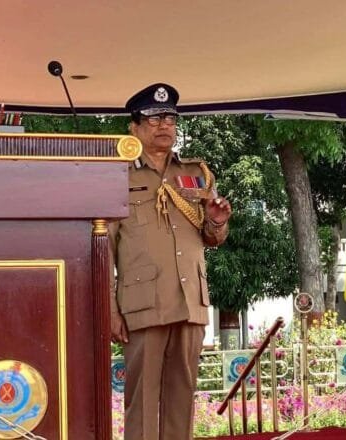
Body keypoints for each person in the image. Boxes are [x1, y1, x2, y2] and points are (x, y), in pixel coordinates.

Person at [109, 83, 232, 440]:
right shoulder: (117, 174)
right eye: (153, 118)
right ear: (134, 127)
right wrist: (110, 309)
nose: (164, 124)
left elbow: (212, 238)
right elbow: (103, 247)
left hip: (190, 300)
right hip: (143, 303)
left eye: (170, 118)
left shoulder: (195, 173)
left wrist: (218, 221)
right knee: (143, 401)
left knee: (181, 399)